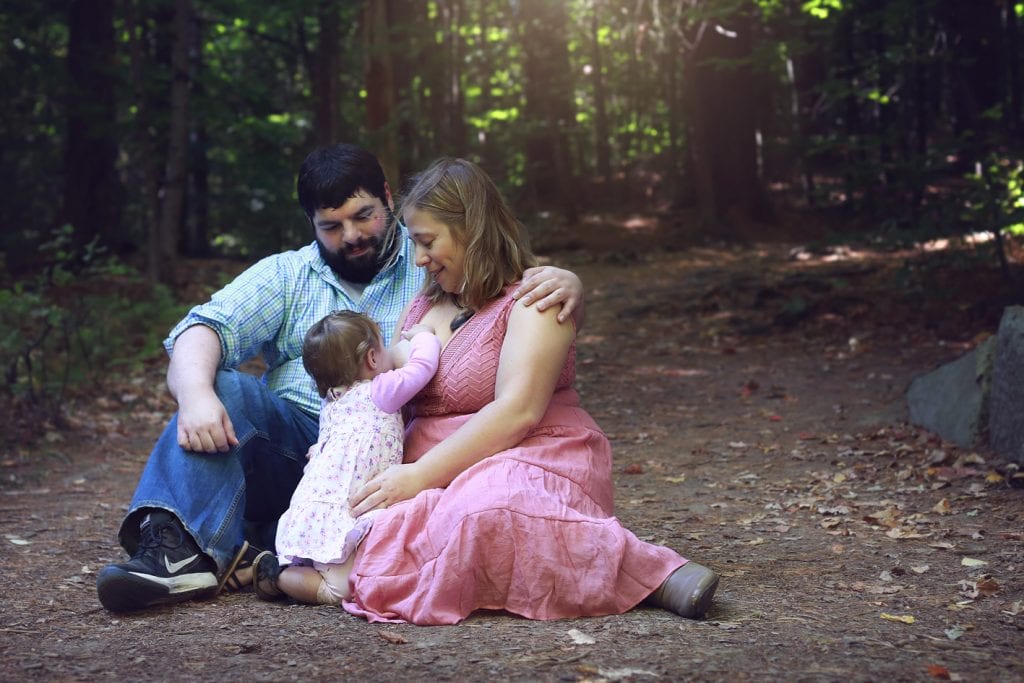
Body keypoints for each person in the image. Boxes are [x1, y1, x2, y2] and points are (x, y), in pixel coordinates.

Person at [95, 144, 584, 613]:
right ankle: (173, 552)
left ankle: (262, 545)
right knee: (224, 386)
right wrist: (197, 395)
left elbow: (500, 287)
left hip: (380, 455)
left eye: (363, 215)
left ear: (389, 199)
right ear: (310, 223)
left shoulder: (429, 263)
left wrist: (568, 282)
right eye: (331, 226)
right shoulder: (286, 275)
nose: (351, 235)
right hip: (300, 447)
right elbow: (202, 328)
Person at [291, 157, 719, 624]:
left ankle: (651, 574)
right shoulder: (421, 306)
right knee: (379, 528)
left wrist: (419, 477)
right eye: (414, 242)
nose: (418, 259)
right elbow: (380, 388)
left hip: (529, 453)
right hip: (433, 468)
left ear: (472, 230)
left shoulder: (533, 299)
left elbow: (519, 411)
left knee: (489, 505)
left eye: (428, 241)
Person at [253, 311, 440, 606]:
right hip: (341, 509)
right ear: (372, 359)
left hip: (327, 504)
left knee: (336, 563)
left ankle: (294, 569)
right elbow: (423, 367)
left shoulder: (331, 401)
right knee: (338, 590)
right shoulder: (381, 391)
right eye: (383, 345)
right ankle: (278, 577)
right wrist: (424, 336)